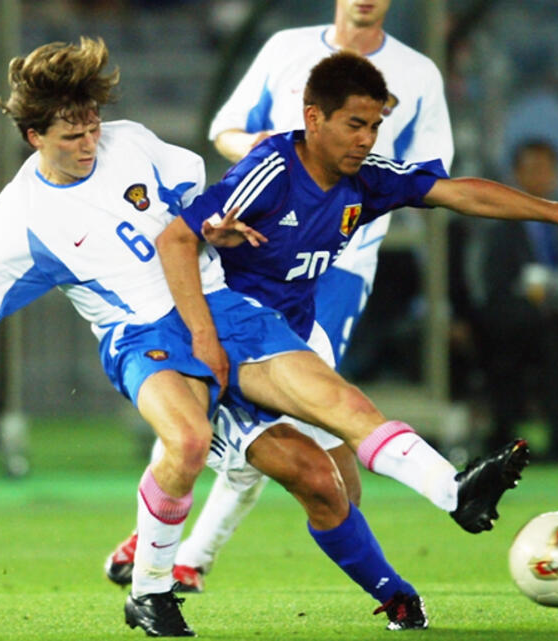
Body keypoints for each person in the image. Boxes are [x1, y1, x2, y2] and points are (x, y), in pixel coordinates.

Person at [0, 38, 532, 637]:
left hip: (224, 305)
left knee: (330, 446)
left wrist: (219, 229)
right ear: (34, 136)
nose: (91, 142)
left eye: (94, 125)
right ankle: (150, 590)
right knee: (188, 439)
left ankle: (450, 504)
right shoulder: (17, 221)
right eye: (72, 136)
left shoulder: (132, 143)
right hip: (141, 336)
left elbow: (192, 213)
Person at [152, 49, 558, 624]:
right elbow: (177, 239)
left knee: (338, 492)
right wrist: (202, 333)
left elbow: (458, 193)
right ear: (314, 117)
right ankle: (455, 491)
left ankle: (397, 595)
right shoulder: (272, 168)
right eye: (356, 123)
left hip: (285, 345)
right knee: (333, 433)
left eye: (376, 125)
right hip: (225, 343)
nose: (368, 138)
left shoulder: (365, 181)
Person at [106, 0, 456, 593]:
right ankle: (177, 537)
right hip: (257, 250)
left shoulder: (419, 72)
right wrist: (271, 153)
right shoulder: (287, 49)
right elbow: (226, 129)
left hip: (339, 265)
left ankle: (187, 549)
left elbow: (434, 171)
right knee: (224, 389)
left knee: (294, 409)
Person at [470, 140, 558, 459]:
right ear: (517, 174)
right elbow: (494, 284)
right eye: (533, 169)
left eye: (547, 169)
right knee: (544, 336)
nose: (541, 176)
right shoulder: (500, 224)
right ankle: (555, 434)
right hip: (515, 318)